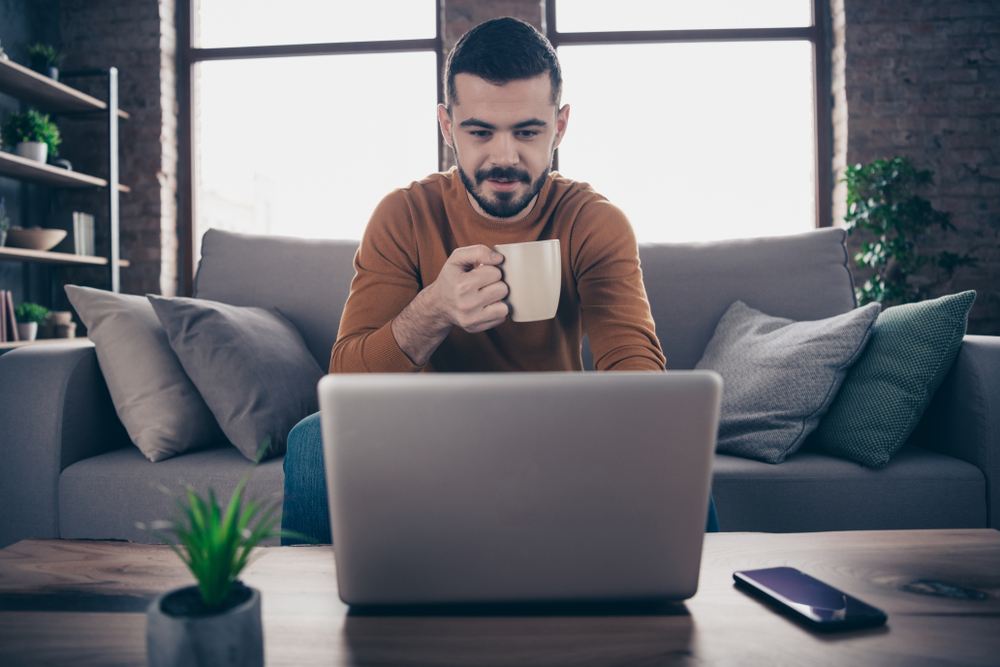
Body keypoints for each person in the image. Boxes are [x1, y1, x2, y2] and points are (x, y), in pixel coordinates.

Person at [282, 17, 718, 544]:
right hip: (424, 441)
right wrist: (435, 308)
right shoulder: (403, 215)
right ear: (447, 126)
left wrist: (652, 423)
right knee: (313, 439)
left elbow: (635, 366)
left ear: (559, 127)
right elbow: (344, 379)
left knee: (676, 442)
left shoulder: (593, 220)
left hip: (560, 438)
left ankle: (698, 609)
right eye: (480, 132)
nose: (505, 157)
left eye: (528, 132)